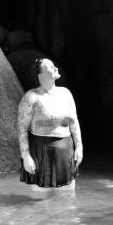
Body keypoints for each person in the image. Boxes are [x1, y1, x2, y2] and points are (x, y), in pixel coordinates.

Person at [18, 58, 83, 188]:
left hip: (66, 150)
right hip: (41, 153)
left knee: (68, 198)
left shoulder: (66, 93)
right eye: (51, 67)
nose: (55, 68)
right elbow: (22, 128)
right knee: (42, 201)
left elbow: (74, 122)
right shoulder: (31, 97)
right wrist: (26, 156)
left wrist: (79, 147)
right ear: (40, 76)